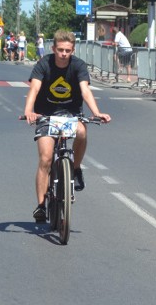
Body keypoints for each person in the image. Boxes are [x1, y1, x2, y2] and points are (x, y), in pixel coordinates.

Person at [24, 30, 112, 222]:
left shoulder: (78, 65)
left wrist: (96, 113)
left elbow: (85, 91)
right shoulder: (44, 64)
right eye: (61, 50)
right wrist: (29, 110)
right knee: (46, 159)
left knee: (81, 131)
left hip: (71, 114)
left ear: (73, 50)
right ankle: (40, 206)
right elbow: (35, 88)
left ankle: (76, 168)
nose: (64, 54)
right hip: (46, 114)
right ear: (53, 48)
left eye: (68, 50)